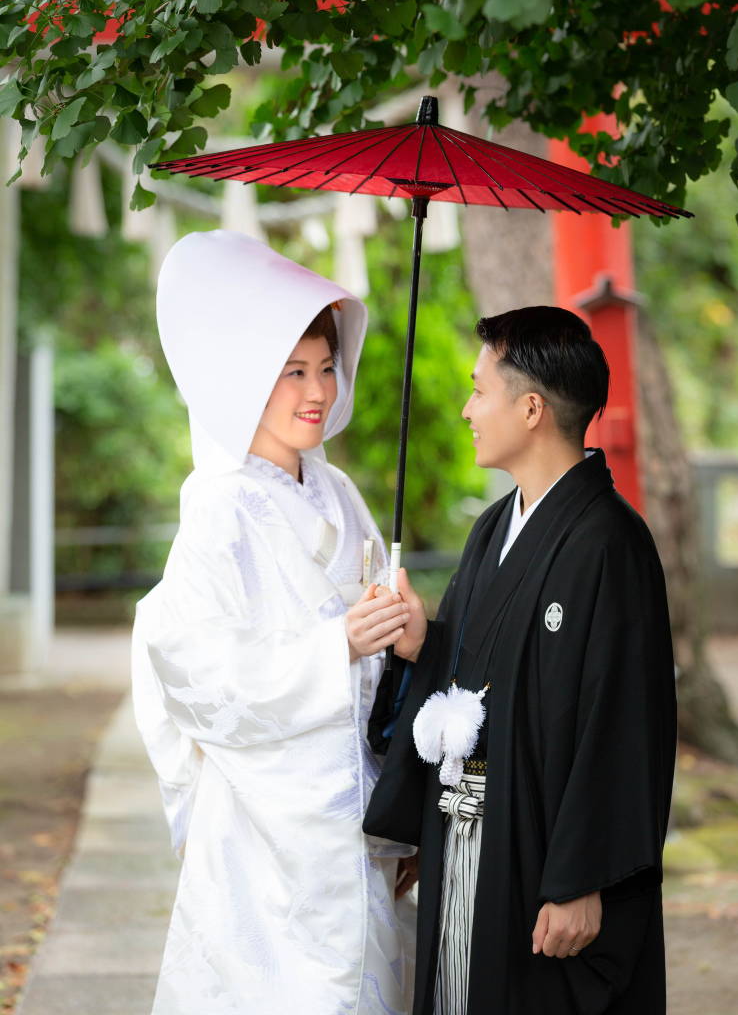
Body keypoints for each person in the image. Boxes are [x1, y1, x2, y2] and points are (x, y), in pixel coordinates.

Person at [132, 230, 417, 1015]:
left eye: (326, 367)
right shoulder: (216, 509)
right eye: (291, 372)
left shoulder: (342, 494)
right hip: (265, 825)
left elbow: (383, 656)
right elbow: (191, 665)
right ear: (243, 380)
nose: (315, 391)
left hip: (356, 810)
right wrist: (334, 648)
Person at [364, 306, 677, 1015]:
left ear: (531, 408)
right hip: (469, 829)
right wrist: (425, 644)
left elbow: (625, 721)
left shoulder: (611, 544)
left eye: (479, 389)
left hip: (544, 853)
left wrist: (582, 878)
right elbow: (483, 671)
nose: (467, 408)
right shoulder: (493, 528)